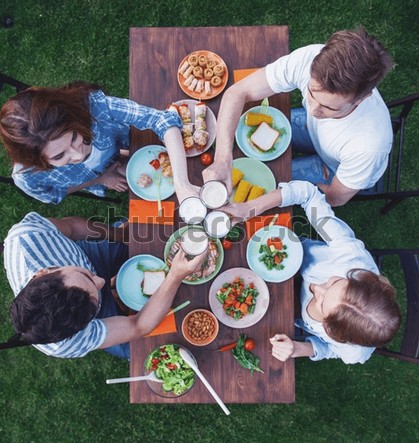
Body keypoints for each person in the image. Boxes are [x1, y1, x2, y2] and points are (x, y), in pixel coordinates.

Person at [204, 28, 394, 206]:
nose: (312, 111)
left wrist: (275, 196)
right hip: (316, 134)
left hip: (335, 169)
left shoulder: (368, 147)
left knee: (269, 181)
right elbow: (236, 93)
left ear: (361, 99)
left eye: (329, 107)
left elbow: (335, 198)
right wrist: (222, 159)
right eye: (311, 93)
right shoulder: (311, 58)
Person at [219, 180, 401, 364]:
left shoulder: (354, 354)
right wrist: (250, 208)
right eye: (333, 282)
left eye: (322, 304)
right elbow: (308, 194)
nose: (315, 287)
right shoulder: (348, 253)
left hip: (284, 308)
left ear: (335, 332)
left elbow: (329, 349)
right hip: (287, 256)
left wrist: (298, 348)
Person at [3, 212, 207, 359]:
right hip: (95, 310)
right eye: (92, 300)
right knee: (143, 349)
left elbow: (72, 227)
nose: (102, 281)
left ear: (43, 273)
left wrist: (118, 235)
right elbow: (137, 326)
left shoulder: (28, 235)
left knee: (143, 226)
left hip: (85, 256)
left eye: (86, 276)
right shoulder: (67, 342)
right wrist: (175, 276)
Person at [0, 82, 198, 204]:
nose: (78, 155)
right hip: (97, 178)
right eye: (59, 156)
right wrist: (101, 179)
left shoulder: (93, 105)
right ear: (36, 161)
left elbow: (160, 120)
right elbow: (55, 194)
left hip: (127, 143)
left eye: (75, 137)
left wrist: (182, 184)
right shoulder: (27, 178)